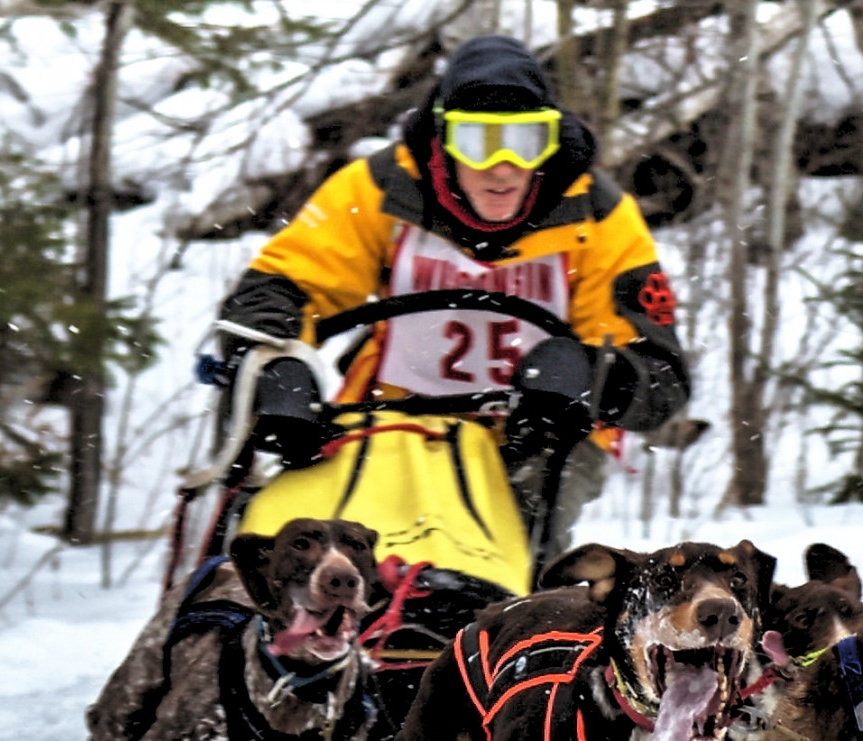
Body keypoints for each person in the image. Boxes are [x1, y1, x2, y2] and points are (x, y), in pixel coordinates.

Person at [217, 33, 688, 560]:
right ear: (443, 141)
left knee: (508, 554)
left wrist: (590, 374)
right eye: (478, 143)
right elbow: (280, 287)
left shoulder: (597, 212)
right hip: (392, 414)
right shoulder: (381, 187)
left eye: (526, 142)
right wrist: (279, 368)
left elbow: (662, 374)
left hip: (539, 431)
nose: (503, 167)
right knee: (316, 544)